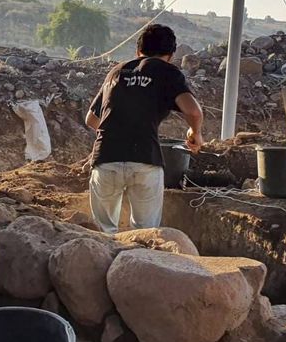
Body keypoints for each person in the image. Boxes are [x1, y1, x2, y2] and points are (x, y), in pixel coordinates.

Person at [85, 24, 204, 233]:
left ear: (138, 50)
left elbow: (92, 119)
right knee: (145, 233)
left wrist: (118, 131)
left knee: (104, 234)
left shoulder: (116, 71)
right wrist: (195, 133)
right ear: (171, 55)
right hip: (145, 160)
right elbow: (193, 111)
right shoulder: (168, 72)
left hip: (105, 158)